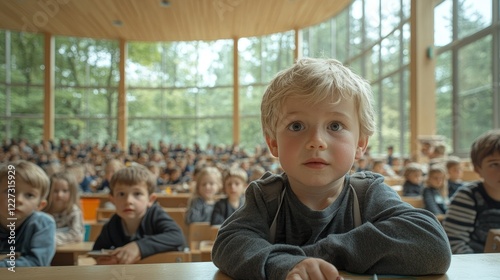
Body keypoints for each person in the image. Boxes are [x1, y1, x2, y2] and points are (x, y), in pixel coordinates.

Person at [212, 58, 451, 280]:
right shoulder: (267, 198)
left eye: (335, 125)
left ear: (360, 143)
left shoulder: (367, 195)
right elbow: (229, 243)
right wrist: (284, 264)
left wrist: (318, 254)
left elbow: (432, 243)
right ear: (273, 142)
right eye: (296, 126)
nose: (316, 141)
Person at [92, 165, 186, 264]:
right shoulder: (112, 225)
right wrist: (104, 260)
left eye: (137, 194)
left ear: (150, 199)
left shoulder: (155, 215)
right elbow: (97, 251)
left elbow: (177, 236)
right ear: (112, 200)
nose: (128, 201)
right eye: (121, 194)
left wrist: (138, 247)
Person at [443, 129, 500, 254]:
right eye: (494, 164)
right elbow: (453, 243)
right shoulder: (468, 197)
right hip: (475, 267)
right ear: (477, 168)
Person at [0, 160, 56, 267]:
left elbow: (37, 263)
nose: (18, 200)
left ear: (40, 205)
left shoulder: (43, 224)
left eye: (29, 195)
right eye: (11, 192)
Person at [43, 171, 85, 245]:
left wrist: (49, 239)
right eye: (55, 191)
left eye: (65, 191)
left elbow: (76, 235)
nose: (60, 195)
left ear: (72, 192)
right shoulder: (43, 211)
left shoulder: (74, 212)